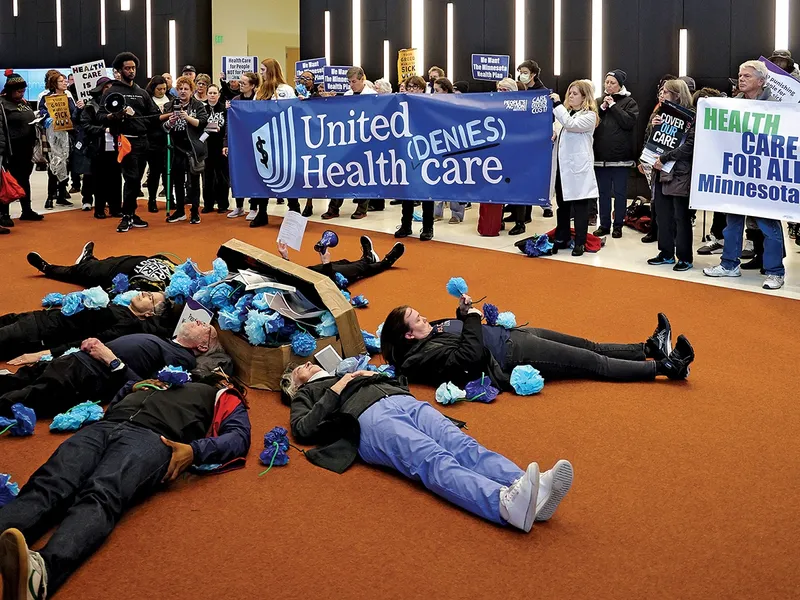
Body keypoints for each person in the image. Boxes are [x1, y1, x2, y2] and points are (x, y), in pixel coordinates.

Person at [0, 371, 250, 599]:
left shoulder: (223, 395)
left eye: (221, 371)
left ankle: (42, 574)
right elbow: (116, 402)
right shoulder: (168, 377)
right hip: (105, 426)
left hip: (154, 437)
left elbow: (238, 437)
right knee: (50, 482)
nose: (214, 371)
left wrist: (194, 451)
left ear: (225, 381)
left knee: (101, 492)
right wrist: (132, 387)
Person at [282, 365, 573, 532]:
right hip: (368, 419)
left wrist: (372, 376)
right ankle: (502, 504)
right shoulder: (307, 394)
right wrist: (338, 387)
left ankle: (526, 486)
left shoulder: (346, 370)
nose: (306, 364)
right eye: (299, 370)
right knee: (432, 459)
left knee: (463, 445)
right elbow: (303, 429)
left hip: (404, 402)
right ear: (295, 385)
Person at [381, 297, 694, 391]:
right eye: (417, 319)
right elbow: (468, 356)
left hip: (512, 335)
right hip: (512, 354)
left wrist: (462, 313)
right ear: (409, 335)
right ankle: (665, 367)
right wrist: (473, 319)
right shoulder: (420, 358)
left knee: (590, 345)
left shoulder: (427, 334)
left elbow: (459, 330)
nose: (425, 319)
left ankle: (648, 348)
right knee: (592, 363)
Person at [0, 321, 219, 418]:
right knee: (14, 380)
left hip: (84, 376)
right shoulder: (168, 341)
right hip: (76, 359)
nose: (198, 322)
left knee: (16, 399)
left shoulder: (183, 360)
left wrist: (112, 360)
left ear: (202, 346)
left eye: (204, 327)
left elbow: (148, 389)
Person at [703, 60, 786, 291]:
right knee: (732, 223)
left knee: (768, 225)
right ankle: (729, 264)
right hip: (738, 175)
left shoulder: (776, 106)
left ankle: (775, 272)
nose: (740, 79)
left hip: (764, 178)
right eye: (740, 75)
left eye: (747, 76)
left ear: (761, 81)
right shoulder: (733, 105)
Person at [0, 290, 176, 362]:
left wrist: (41, 355)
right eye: (147, 292)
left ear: (149, 314)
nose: (144, 293)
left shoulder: (127, 324)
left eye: (150, 298)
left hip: (39, 332)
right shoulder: (120, 304)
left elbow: (88, 343)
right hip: (40, 317)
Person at [98, 52, 161, 233]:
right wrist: (115, 115)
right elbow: (101, 116)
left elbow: (154, 116)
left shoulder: (142, 93)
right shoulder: (111, 92)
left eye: (133, 68)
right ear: (119, 70)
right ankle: (126, 216)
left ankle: (132, 213)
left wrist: (170, 116)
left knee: (137, 180)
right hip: (125, 141)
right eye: (127, 68)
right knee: (131, 178)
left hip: (144, 142)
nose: (131, 71)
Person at [646, 79, 696, 272]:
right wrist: (654, 126)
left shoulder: (692, 117)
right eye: (661, 91)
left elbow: (689, 146)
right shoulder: (660, 113)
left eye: (666, 92)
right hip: (660, 171)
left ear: (677, 94)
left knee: (680, 217)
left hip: (679, 172)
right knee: (662, 215)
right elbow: (654, 141)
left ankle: (685, 257)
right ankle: (666, 252)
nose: (662, 94)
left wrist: (665, 157)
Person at [550, 80, 600, 257]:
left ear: (584, 97)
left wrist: (556, 105)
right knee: (562, 206)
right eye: (569, 93)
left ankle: (580, 242)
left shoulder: (589, 116)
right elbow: (562, 126)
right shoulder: (566, 114)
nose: (571, 96)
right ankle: (562, 236)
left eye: (575, 93)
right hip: (563, 169)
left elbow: (571, 125)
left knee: (580, 207)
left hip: (578, 169)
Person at [321, 67, 376, 221]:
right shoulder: (347, 95)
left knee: (364, 175)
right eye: (349, 82)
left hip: (365, 140)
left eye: (354, 82)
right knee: (340, 173)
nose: (352, 85)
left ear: (362, 79)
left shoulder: (373, 96)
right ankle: (333, 208)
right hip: (348, 139)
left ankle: (362, 208)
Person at [592, 69, 639, 238]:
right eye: (607, 82)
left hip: (621, 158)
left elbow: (628, 122)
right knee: (603, 193)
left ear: (620, 85)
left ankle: (618, 224)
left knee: (620, 193)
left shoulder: (629, 102)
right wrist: (603, 108)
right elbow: (593, 123)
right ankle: (604, 225)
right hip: (600, 157)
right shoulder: (598, 102)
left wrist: (613, 106)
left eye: (612, 82)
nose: (609, 85)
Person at [26, 240, 177, 292]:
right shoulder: (183, 275)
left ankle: (47, 268)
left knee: (75, 272)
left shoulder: (162, 295)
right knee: (96, 264)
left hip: (108, 273)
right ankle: (89, 259)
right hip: (129, 259)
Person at [0, 70, 44, 230]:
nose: (21, 93)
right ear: (10, 90)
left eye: (23, 91)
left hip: (26, 147)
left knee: (24, 179)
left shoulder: (23, 103)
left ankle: (27, 209)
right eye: (18, 91)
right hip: (11, 148)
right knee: (6, 182)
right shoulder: (2, 104)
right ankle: (4, 214)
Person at [512, 60, 554, 222]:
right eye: (520, 72)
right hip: (518, 139)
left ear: (533, 74)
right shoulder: (519, 89)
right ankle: (519, 212)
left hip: (535, 139)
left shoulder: (542, 92)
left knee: (531, 175)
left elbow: (547, 117)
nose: (522, 75)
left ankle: (540, 207)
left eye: (524, 72)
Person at [164, 76, 209, 225]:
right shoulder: (169, 105)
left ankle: (195, 211)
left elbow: (203, 123)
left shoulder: (198, 105)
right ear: (176, 91)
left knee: (194, 182)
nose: (183, 92)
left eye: (186, 89)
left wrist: (187, 117)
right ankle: (179, 210)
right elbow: (163, 128)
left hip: (193, 149)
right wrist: (170, 122)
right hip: (176, 148)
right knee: (177, 180)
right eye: (180, 89)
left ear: (192, 90)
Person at [277, 235, 405, 285]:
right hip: (319, 280)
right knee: (357, 269)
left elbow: (289, 277)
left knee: (344, 262)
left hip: (311, 273)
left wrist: (285, 257)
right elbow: (327, 285)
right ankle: (383, 262)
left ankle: (369, 259)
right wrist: (326, 264)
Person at [79, 78, 123, 220]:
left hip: (116, 147)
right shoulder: (91, 106)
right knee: (99, 180)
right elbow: (85, 126)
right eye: (107, 87)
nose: (110, 90)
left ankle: (115, 208)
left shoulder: (118, 105)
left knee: (116, 179)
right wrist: (103, 130)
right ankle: (99, 209)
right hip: (97, 148)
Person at [38, 71, 81, 210]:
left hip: (68, 134)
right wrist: (46, 117)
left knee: (66, 163)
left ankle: (62, 194)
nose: (65, 83)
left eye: (65, 81)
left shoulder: (68, 97)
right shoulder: (46, 97)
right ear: (54, 84)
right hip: (53, 135)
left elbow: (73, 114)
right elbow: (42, 112)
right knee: (54, 165)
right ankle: (50, 196)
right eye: (61, 81)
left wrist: (79, 109)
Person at [222, 72, 258, 220]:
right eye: (240, 83)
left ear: (253, 86)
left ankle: (254, 207)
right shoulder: (235, 100)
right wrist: (226, 142)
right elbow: (229, 124)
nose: (241, 85)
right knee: (237, 174)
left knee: (255, 176)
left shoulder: (258, 100)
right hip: (238, 144)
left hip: (255, 143)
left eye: (244, 83)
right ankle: (239, 206)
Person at [144, 75, 172, 213]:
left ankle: (170, 197)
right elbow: (150, 120)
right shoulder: (148, 101)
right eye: (159, 89)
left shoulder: (171, 100)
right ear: (153, 88)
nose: (162, 91)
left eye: (164, 89)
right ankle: (152, 199)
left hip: (169, 140)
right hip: (153, 141)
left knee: (169, 171)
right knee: (154, 172)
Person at [202, 84, 230, 214]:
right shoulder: (202, 109)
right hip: (206, 146)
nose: (212, 95)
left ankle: (223, 204)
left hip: (221, 146)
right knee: (208, 177)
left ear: (218, 95)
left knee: (222, 176)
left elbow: (228, 127)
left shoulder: (225, 109)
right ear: (206, 94)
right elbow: (199, 125)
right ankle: (208, 204)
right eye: (210, 93)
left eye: (215, 93)